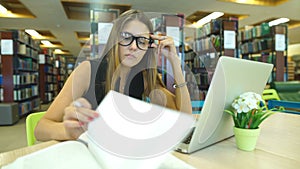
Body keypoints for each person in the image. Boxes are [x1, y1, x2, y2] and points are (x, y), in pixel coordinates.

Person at [35, 9, 192, 141]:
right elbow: (41, 128)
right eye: (126, 37)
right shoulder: (88, 70)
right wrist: (70, 132)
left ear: (148, 47)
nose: (133, 47)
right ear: (115, 39)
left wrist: (175, 63)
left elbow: (183, 118)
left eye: (142, 41)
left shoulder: (143, 78)